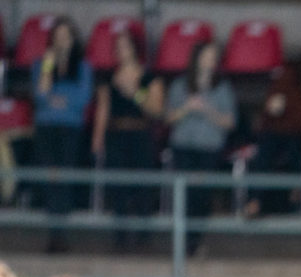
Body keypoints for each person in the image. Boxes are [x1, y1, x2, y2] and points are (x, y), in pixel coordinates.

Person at [92, 29, 164, 250]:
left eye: (127, 46)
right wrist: (98, 139)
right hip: (116, 135)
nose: (122, 52)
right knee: (119, 188)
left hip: (140, 135)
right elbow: (103, 111)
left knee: (143, 186)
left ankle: (144, 237)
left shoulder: (149, 77)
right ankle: (120, 237)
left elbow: (156, 109)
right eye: (119, 47)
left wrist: (135, 92)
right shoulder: (109, 79)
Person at [166, 41, 238, 256]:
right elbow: (169, 118)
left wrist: (208, 110)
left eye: (213, 56)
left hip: (209, 148)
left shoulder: (223, 87)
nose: (209, 60)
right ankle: (182, 241)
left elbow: (230, 122)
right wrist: (187, 108)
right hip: (183, 146)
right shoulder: (180, 85)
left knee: (202, 197)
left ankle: (196, 240)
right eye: (206, 55)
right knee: (184, 195)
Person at [244, 46, 301, 217]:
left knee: (294, 151)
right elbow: (271, 109)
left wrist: (288, 113)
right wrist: (273, 107)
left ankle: (292, 197)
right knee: (264, 154)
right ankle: (255, 200)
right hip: (274, 131)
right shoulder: (288, 78)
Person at [32, 17, 94, 253]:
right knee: (50, 177)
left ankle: (62, 232)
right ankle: (53, 231)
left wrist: (57, 101)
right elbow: (40, 95)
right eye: (57, 36)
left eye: (66, 36)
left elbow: (82, 99)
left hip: (70, 128)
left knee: (65, 177)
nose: (62, 41)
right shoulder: (42, 64)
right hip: (47, 127)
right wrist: (48, 66)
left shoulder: (83, 67)